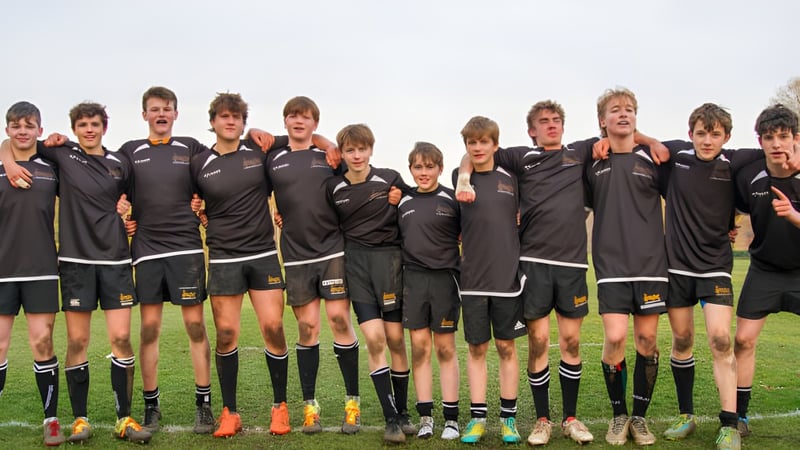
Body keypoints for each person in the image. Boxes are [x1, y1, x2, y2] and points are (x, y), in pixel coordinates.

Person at [0, 102, 151, 443]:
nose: (88, 129)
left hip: (115, 261)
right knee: (78, 340)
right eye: (82, 124)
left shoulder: (120, 164)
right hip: (75, 262)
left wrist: (128, 214)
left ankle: (123, 418)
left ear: (104, 127)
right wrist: (8, 161)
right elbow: (16, 144)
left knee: (122, 339)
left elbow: (134, 200)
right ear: (73, 129)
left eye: (94, 124)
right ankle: (80, 419)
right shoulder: (62, 155)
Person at [455, 101, 597, 446]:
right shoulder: (521, 159)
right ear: (531, 130)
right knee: (536, 343)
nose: (551, 125)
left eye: (556, 120)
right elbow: (471, 152)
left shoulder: (581, 153)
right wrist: (462, 176)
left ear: (564, 126)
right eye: (543, 122)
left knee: (571, 342)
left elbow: (618, 137)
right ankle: (542, 420)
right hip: (531, 263)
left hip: (572, 263)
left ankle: (571, 418)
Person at [652, 104, 763, 450]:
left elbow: (773, 152)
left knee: (720, 339)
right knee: (682, 339)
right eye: (701, 132)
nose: (707, 139)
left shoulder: (735, 162)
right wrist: (643, 138)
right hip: (676, 268)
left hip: (715, 267)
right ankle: (686, 415)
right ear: (691, 134)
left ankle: (729, 423)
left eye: (715, 133)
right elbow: (643, 144)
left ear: (727, 137)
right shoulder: (676, 157)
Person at [115, 86, 216, 434]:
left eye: (167, 108)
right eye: (154, 109)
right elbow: (103, 182)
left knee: (195, 327)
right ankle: (150, 406)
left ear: (176, 114)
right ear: (144, 114)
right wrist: (121, 215)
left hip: (185, 249)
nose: (161, 113)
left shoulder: (191, 148)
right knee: (149, 330)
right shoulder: (130, 152)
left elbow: (224, 167)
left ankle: (204, 404)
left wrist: (203, 203)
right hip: (146, 251)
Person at [190, 93, 291, 437]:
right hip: (223, 257)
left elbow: (306, 139)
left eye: (236, 117)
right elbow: (187, 200)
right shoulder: (199, 162)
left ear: (244, 122)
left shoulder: (259, 150)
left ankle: (280, 407)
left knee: (273, 327)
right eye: (223, 116)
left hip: (262, 254)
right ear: (213, 122)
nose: (230, 121)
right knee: (227, 334)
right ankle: (229, 412)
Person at [264, 96, 361, 435]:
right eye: (292, 116)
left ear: (315, 123)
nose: (298, 121)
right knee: (307, 328)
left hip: (332, 249)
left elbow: (355, 166)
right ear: (285, 121)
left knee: (337, 318)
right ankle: (310, 406)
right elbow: (255, 140)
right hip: (296, 254)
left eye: (305, 117)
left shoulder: (329, 156)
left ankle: (353, 403)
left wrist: (330, 142)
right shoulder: (273, 159)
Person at [585, 88, 666, 446]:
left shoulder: (654, 158)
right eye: (615, 110)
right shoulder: (592, 161)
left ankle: (639, 418)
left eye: (630, 110)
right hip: (611, 264)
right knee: (616, 337)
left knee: (647, 340)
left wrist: (647, 139)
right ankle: (618, 415)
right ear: (602, 120)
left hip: (650, 264)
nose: (623, 114)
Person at [325, 124, 414, 443]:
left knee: (395, 340)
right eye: (350, 150)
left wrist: (402, 197)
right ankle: (391, 419)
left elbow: (420, 202)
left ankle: (403, 413)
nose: (357, 155)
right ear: (342, 154)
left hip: (390, 265)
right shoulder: (334, 187)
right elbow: (322, 223)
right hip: (357, 267)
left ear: (371, 149)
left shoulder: (390, 178)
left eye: (362, 148)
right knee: (375, 340)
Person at [452, 116, 527, 445]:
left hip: (507, 279)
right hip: (472, 280)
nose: (478, 147)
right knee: (477, 348)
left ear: (496, 145)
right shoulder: (459, 177)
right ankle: (478, 418)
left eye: (484, 141)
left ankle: (508, 419)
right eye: (472, 142)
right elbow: (463, 165)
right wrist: (465, 176)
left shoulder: (512, 178)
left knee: (506, 348)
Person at [733, 104, 800, 438]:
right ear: (759, 140)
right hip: (764, 270)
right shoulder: (750, 174)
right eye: (769, 137)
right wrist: (729, 225)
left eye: (783, 136)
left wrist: (793, 215)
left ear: (795, 139)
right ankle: (738, 418)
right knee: (743, 340)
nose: (776, 143)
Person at [0, 101, 63, 446]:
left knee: (42, 342)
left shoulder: (52, 166)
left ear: (39, 129)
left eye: (29, 125)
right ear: (7, 130)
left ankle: (51, 420)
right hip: (2, 271)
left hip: (41, 268)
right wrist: (6, 157)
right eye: (15, 125)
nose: (22, 131)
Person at [397, 142, 462, 441]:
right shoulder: (402, 201)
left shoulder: (452, 200)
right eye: (418, 167)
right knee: (420, 349)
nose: (424, 173)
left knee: (445, 349)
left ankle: (451, 419)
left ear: (440, 167)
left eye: (429, 166)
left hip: (445, 281)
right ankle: (426, 417)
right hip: (413, 281)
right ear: (410, 169)